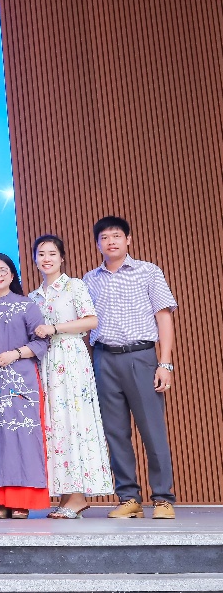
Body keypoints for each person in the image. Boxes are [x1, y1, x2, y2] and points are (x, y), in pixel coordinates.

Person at [83, 216, 179, 520]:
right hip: (103, 358)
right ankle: (129, 498)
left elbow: (164, 316)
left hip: (141, 356)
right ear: (97, 244)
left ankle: (163, 498)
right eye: (104, 237)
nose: (110, 241)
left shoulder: (148, 272)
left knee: (152, 429)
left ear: (128, 240)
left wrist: (165, 363)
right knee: (116, 433)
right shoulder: (89, 279)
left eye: (116, 236)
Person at [30, 234, 111, 519]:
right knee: (54, 423)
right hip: (45, 362)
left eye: (52, 253)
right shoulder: (33, 297)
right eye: (41, 254)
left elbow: (91, 320)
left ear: (62, 257)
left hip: (71, 359)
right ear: (35, 259)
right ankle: (68, 493)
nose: (47, 259)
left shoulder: (75, 286)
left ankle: (77, 496)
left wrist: (55, 328)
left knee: (74, 420)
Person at [0, 253, 50, 519]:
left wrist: (15, 354)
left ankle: (21, 500)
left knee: (21, 438)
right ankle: (0, 500)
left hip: (20, 381)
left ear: (12, 274)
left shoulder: (27, 305)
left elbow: (41, 341)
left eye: (2, 270)